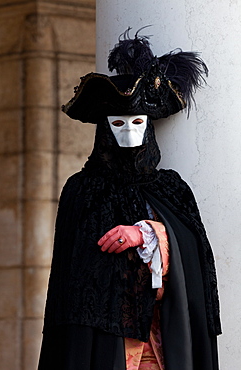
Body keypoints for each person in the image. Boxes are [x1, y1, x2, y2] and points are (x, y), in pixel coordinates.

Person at [38, 29, 221, 370]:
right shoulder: (82, 190)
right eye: (117, 122)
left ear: (149, 125)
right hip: (104, 346)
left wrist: (150, 234)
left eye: (137, 121)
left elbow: (197, 260)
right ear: (104, 127)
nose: (127, 130)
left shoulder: (172, 189)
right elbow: (74, 283)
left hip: (163, 341)